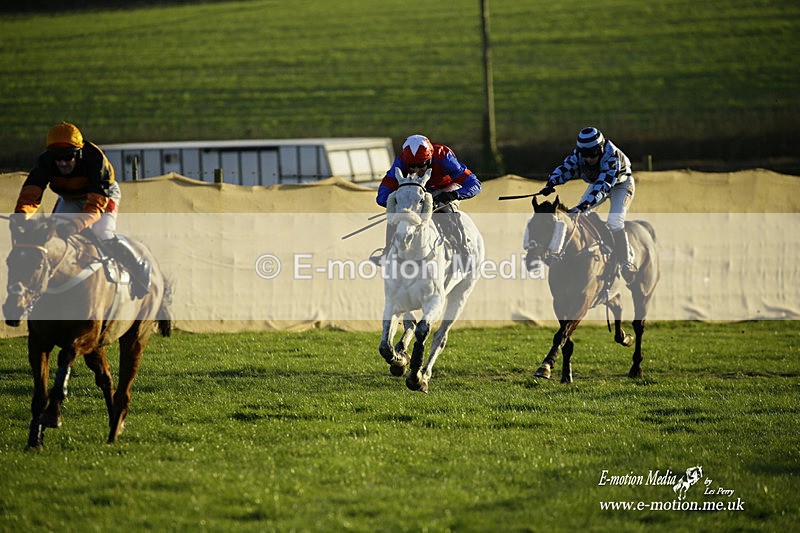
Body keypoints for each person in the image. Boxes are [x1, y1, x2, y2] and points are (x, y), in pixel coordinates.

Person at [14, 121, 151, 298]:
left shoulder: (95, 159)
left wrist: (75, 225)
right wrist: (20, 216)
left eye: (68, 157)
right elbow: (31, 194)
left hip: (102, 196)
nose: (62, 163)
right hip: (70, 197)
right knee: (53, 237)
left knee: (102, 235)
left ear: (78, 154)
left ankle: (139, 267)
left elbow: (95, 205)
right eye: (58, 158)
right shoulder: (45, 161)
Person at [538, 127, 637, 282]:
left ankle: (626, 262)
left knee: (614, 222)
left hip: (620, 185)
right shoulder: (579, 155)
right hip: (598, 183)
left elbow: (602, 188)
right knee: (578, 217)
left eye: (593, 154)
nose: (589, 158)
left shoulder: (612, 158)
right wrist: (552, 182)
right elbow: (566, 168)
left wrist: (582, 207)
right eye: (585, 154)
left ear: (602, 148)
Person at [371, 134, 482, 264]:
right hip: (417, 191)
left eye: (421, 165)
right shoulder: (401, 161)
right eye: (412, 166)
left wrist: (453, 195)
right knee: (397, 215)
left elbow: (475, 184)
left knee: (446, 210)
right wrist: (396, 204)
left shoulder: (444, 156)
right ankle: (388, 251)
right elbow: (382, 195)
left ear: (429, 160)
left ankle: (462, 250)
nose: (416, 170)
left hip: (445, 189)